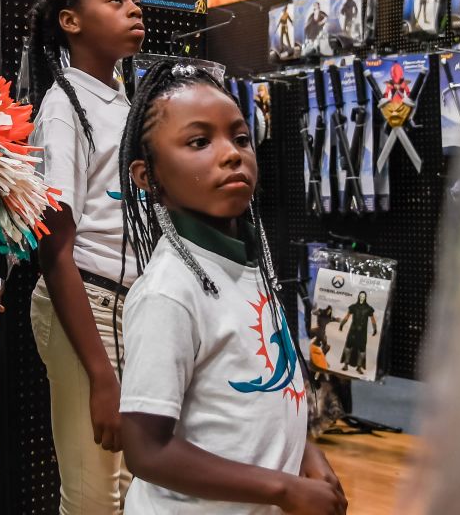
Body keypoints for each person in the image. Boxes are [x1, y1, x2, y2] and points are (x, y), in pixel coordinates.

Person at [116, 63, 346, 514]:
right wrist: (284, 489)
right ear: (147, 176)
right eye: (199, 142)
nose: (231, 154)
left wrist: (305, 454)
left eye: (240, 138)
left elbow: (267, 395)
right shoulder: (169, 292)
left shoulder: (249, 265)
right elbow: (147, 451)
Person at [28, 0, 146, 514]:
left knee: (127, 487)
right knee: (94, 494)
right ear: (71, 20)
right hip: (87, 307)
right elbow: (53, 247)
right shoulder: (63, 108)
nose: (133, 8)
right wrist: (101, 375)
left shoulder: (124, 105)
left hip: (132, 307)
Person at [338, 293, 378, 376]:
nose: (362, 298)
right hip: (353, 331)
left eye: (363, 297)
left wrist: (375, 329)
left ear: (365, 297)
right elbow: (347, 317)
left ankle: (359, 367)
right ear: (358, 297)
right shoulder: (353, 307)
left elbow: (373, 319)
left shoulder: (368, 308)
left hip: (362, 333)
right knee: (348, 347)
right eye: (361, 296)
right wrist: (342, 324)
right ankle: (346, 364)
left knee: (362, 350)